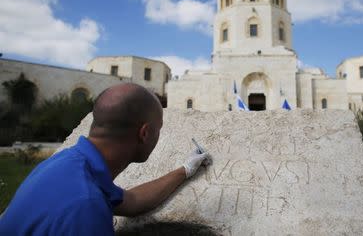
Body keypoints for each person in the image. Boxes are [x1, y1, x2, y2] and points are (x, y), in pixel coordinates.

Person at [0, 83, 210, 235]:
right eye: (159, 129)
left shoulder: (68, 163)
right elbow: (86, 206)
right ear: (144, 133)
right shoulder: (86, 209)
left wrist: (185, 169)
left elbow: (133, 201)